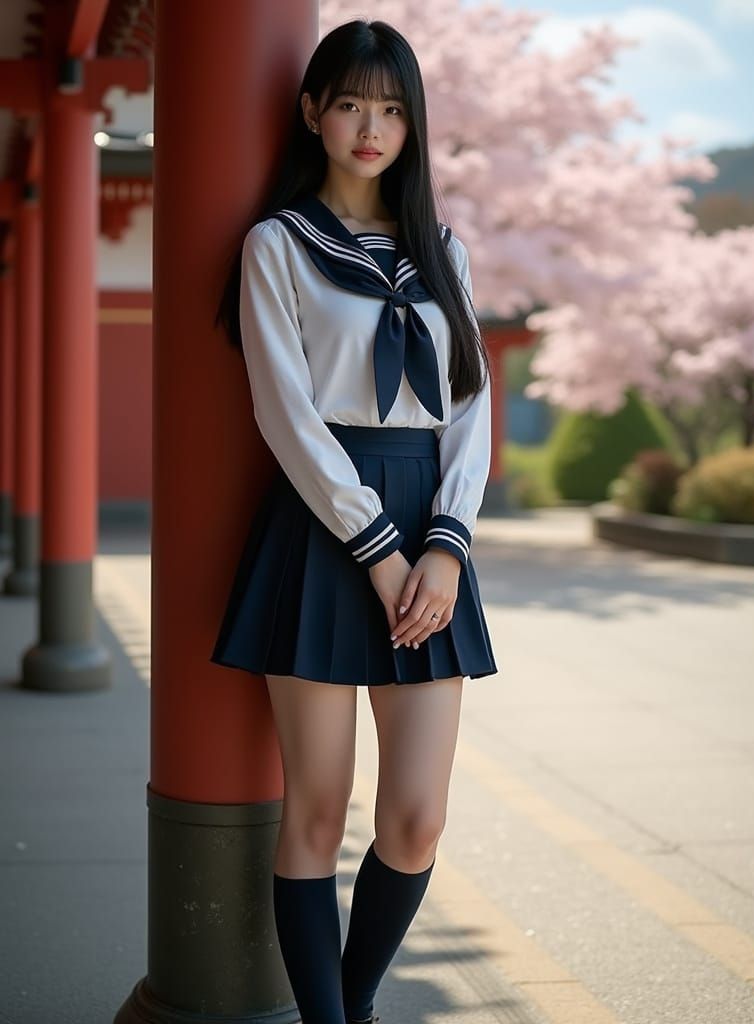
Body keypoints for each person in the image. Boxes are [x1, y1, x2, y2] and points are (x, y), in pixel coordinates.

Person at [210, 16, 498, 1024]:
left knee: (415, 818)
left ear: (412, 124)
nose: (369, 126)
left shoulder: (442, 252)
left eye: (390, 108)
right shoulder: (278, 245)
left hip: (431, 531)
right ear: (312, 114)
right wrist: (376, 547)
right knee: (318, 810)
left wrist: (449, 545)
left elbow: (468, 406)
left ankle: (355, 1005)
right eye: (349, 104)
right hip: (324, 523)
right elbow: (282, 411)